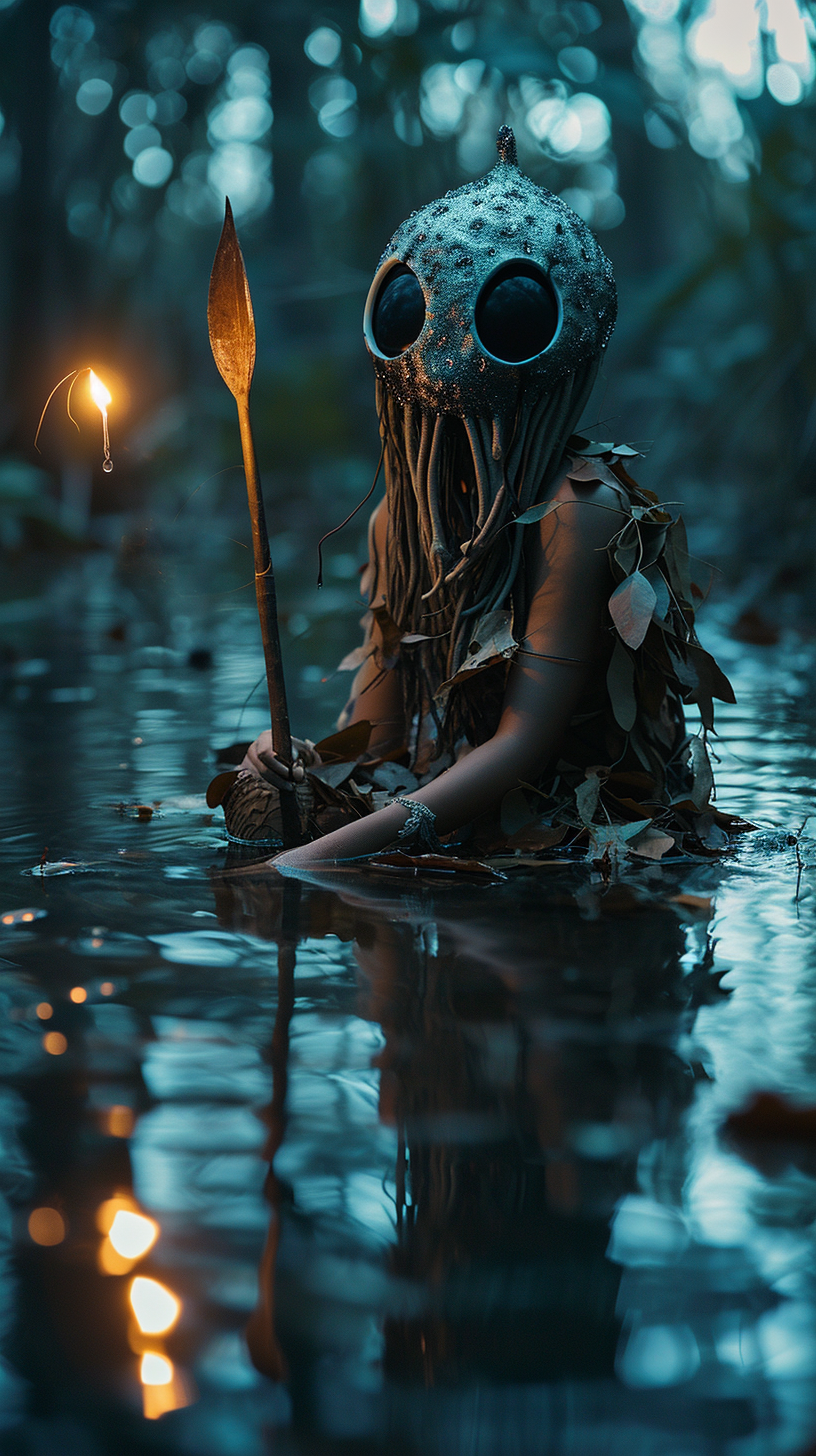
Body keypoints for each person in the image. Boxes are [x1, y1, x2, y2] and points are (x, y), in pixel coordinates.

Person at [224, 126, 738, 869]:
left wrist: (306, 867)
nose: (454, 397)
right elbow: (377, 741)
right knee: (263, 802)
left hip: (567, 852)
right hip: (447, 818)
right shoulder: (398, 523)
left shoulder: (579, 509)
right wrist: (280, 755)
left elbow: (522, 746)